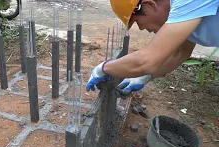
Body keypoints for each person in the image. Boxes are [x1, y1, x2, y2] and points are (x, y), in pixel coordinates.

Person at [86, 0, 219, 97]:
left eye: (138, 21)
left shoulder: (188, 2)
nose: (142, 28)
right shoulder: (185, 10)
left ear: (150, 4)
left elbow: (147, 61)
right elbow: (180, 52)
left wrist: (103, 68)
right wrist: (145, 77)